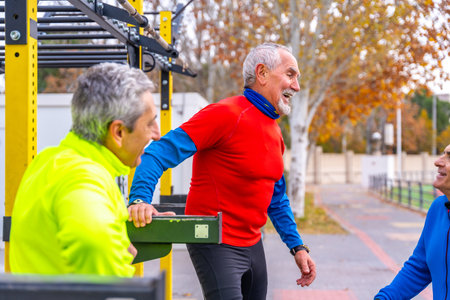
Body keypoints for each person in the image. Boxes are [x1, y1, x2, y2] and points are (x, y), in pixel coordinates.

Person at [128, 43, 316, 299]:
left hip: (253, 244)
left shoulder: (275, 132)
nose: (296, 86)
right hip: (215, 241)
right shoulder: (225, 114)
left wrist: (297, 247)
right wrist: (140, 199)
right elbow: (157, 153)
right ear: (261, 74)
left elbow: (276, 197)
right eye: (290, 74)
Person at [10, 62, 164, 276]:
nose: (157, 134)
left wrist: (119, 242)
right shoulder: (83, 176)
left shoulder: (48, 160)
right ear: (118, 132)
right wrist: (117, 264)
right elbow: (92, 239)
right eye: (150, 123)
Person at [374, 144, 450, 299]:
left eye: (449, 156)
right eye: (443, 154)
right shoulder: (438, 209)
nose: (438, 161)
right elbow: (420, 268)